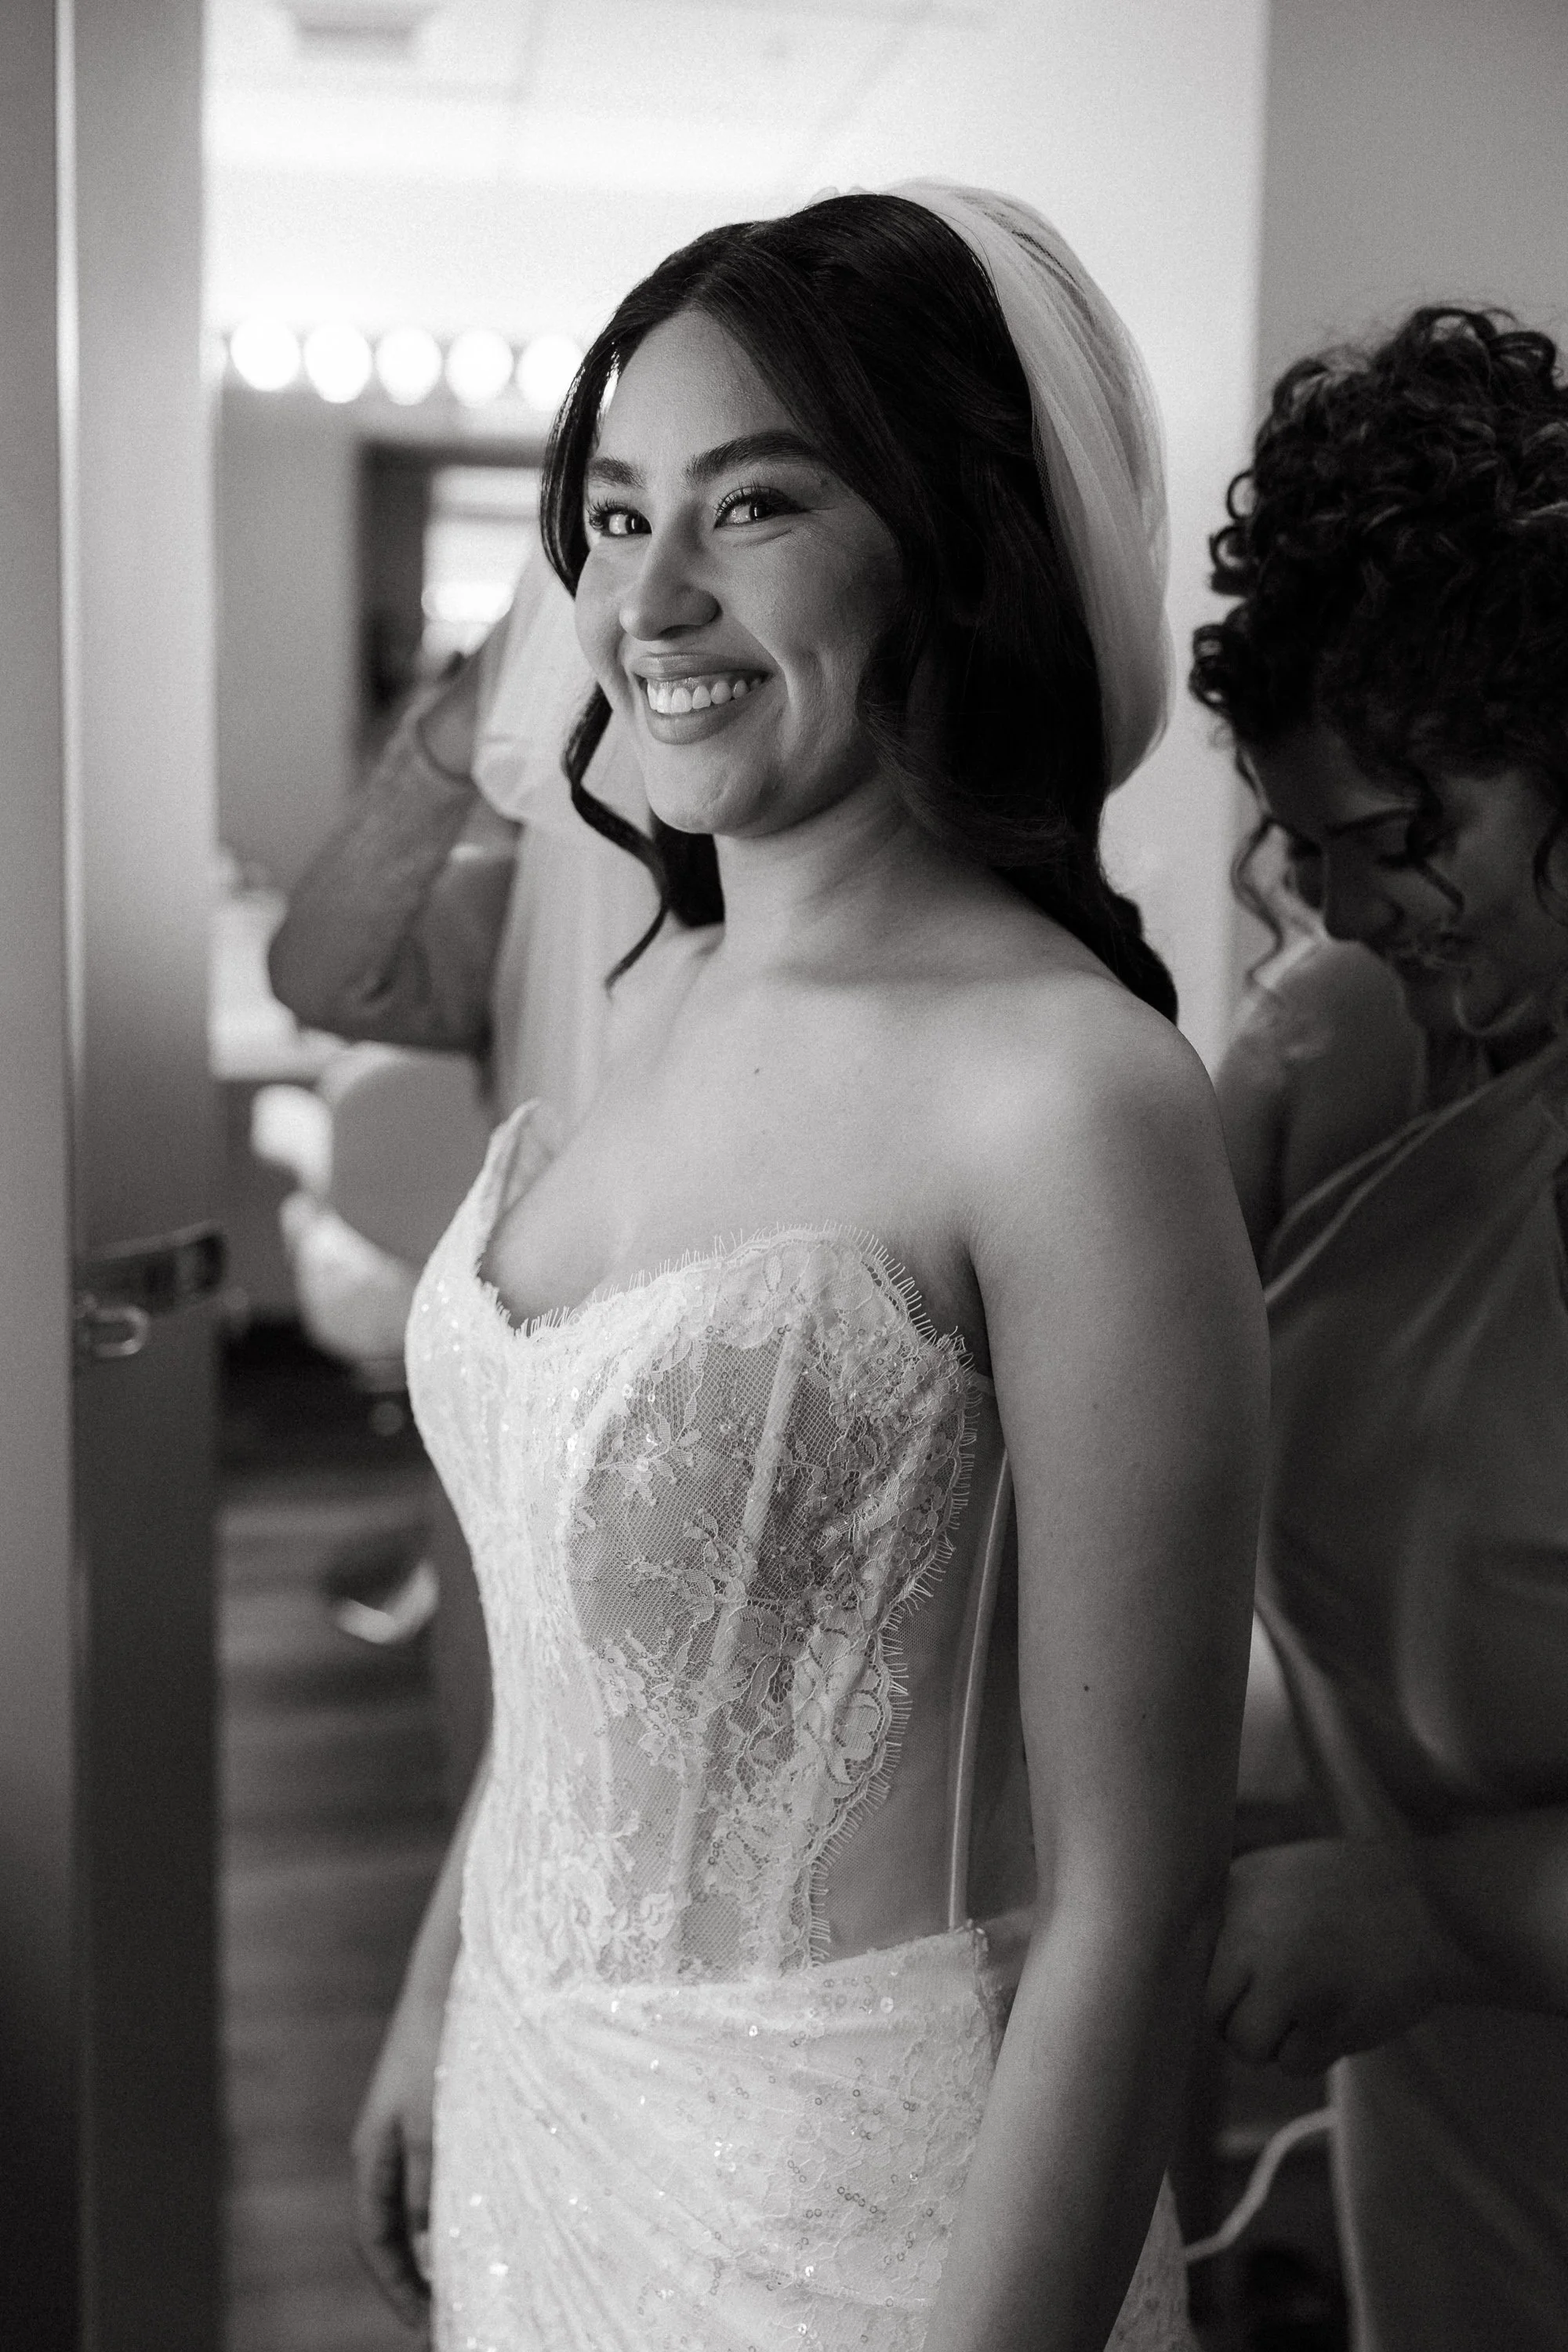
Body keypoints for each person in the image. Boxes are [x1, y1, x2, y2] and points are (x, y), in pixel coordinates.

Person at [354, 183, 1265, 2352]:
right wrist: (433, 1989)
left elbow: (1140, 1904)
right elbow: (604, 1651)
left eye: (751, 507)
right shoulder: (652, 995)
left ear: (950, 540)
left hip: (859, 2230)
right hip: (534, 2110)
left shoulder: (1066, 1099)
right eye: (610, 510)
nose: (647, 593)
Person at [1192, 306, 1568, 2352]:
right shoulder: (1353, 1037)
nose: (1348, 908)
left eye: (1403, 832)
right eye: (1309, 845)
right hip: (1452, 2180)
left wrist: (1432, 1913)